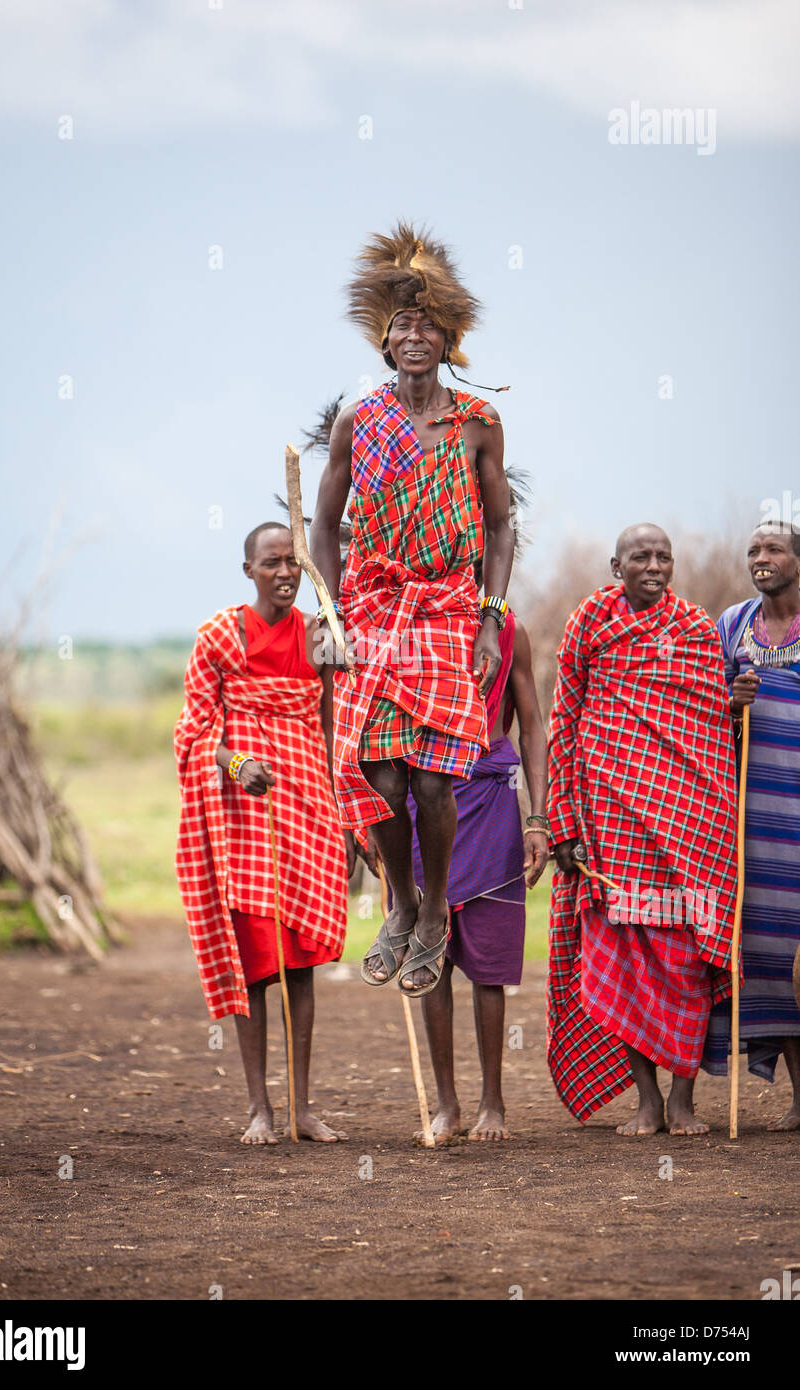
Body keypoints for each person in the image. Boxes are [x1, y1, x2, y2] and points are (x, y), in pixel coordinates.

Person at [310, 222, 515, 1000]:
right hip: (372, 606)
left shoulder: (477, 424)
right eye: (403, 327)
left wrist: (492, 620)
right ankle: (399, 901)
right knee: (379, 777)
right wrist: (330, 617)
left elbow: (500, 527)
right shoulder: (358, 422)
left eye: (429, 325)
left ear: (449, 340)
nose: (415, 336)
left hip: (447, 610)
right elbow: (324, 527)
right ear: (385, 345)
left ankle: (434, 920)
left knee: (435, 784)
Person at [546, 524, 738, 1136]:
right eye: (641, 556)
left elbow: (710, 722)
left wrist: (736, 701)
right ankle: (647, 1100)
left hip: (691, 821)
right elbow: (564, 721)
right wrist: (563, 824)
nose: (654, 566)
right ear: (615, 564)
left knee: (685, 959)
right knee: (624, 961)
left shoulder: (696, 629)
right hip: (611, 822)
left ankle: (683, 1098)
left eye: (663, 557)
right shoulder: (589, 623)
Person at [174, 523, 350, 1144]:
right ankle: (259, 1108)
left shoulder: (318, 635)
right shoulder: (219, 638)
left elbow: (334, 728)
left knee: (299, 967)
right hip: (244, 821)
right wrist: (234, 764)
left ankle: (302, 1107)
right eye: (271, 563)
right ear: (247, 569)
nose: (284, 573)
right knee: (254, 968)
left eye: (292, 564)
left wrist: (343, 810)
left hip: (308, 812)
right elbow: (193, 736)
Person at [409, 570, 549, 1142]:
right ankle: (447, 1104)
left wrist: (538, 817)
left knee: (489, 964)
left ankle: (494, 1101)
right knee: (430, 954)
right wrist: (372, 821)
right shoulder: (407, 624)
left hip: (491, 798)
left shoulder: (508, 628)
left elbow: (533, 724)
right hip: (422, 797)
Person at [702, 522, 800, 1131]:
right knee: (766, 953)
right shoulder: (732, 626)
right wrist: (729, 700)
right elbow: (699, 706)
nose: (760, 559)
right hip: (754, 817)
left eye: (773, 550)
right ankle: (799, 1095)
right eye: (753, 551)